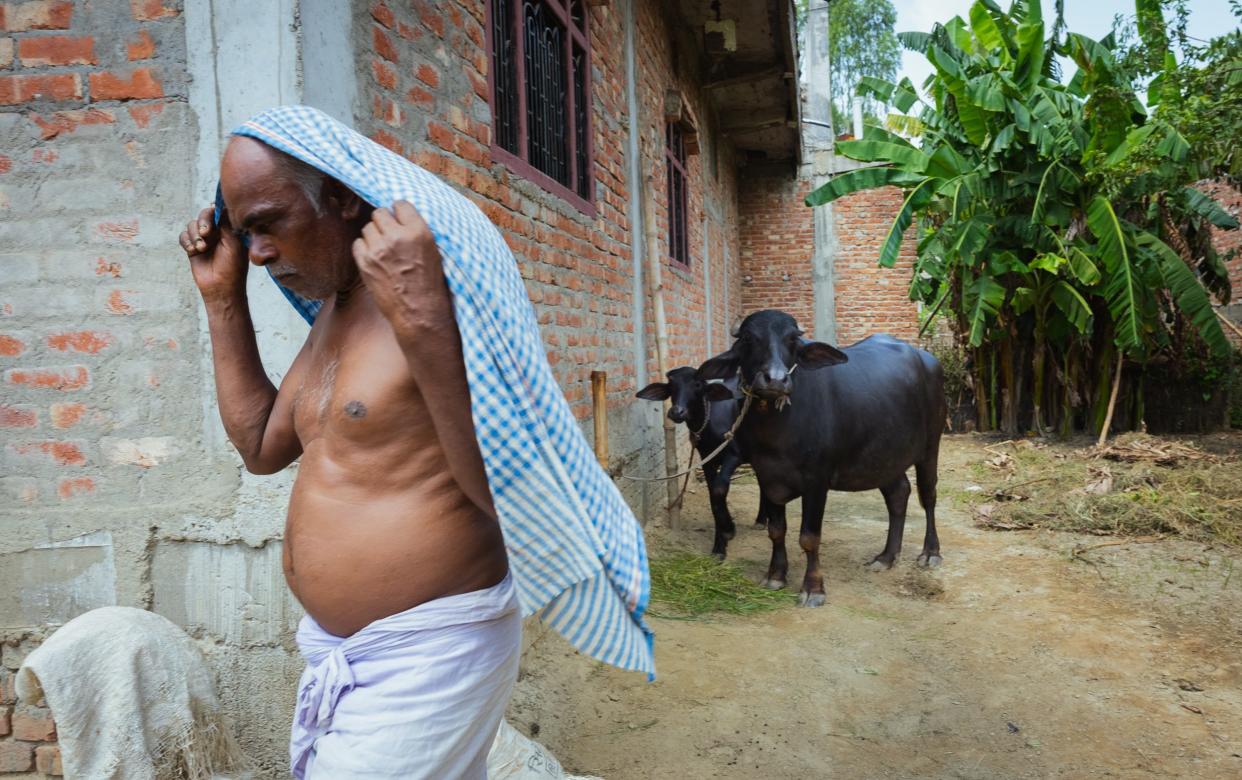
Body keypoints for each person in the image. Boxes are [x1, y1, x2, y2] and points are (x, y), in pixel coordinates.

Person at [178, 107, 653, 779]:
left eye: (268, 225)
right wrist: (221, 300)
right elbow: (261, 447)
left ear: (340, 197)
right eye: (243, 230)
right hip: (349, 652)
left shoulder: (438, 293)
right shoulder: (336, 313)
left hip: (435, 649)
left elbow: (508, 495)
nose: (256, 254)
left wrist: (424, 320)